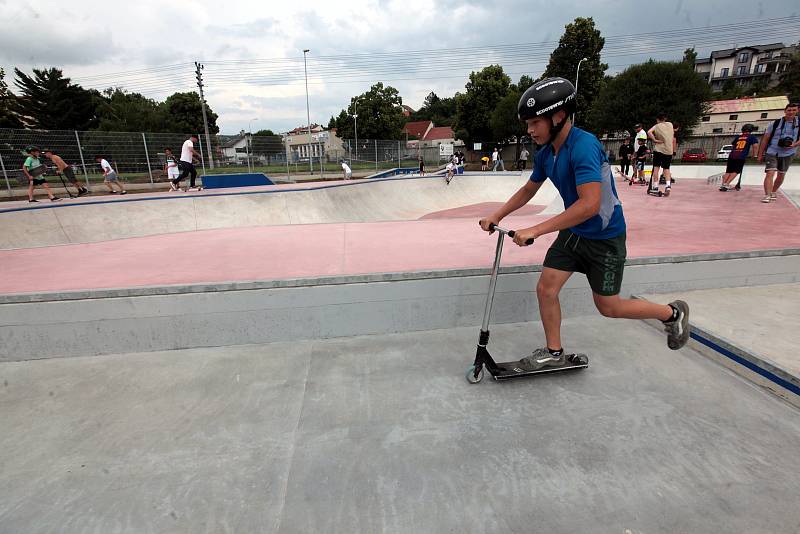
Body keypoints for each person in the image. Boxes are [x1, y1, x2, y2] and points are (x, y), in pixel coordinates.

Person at [479, 77, 690, 370]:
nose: (529, 130)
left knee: (609, 307)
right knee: (546, 288)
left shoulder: (584, 146)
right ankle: (554, 353)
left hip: (605, 237)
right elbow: (529, 189)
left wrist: (537, 230)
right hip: (574, 233)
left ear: (558, 116)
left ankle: (671, 314)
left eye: (534, 123)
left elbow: (590, 205)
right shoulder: (546, 153)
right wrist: (497, 215)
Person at [757, 102, 799, 203]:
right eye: (789, 110)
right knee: (770, 172)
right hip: (773, 151)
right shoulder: (775, 123)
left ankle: (773, 191)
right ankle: (767, 195)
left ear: (797, 111)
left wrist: (795, 144)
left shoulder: (799, 123)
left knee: (781, 174)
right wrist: (759, 154)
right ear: (785, 111)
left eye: (793, 110)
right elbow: (765, 139)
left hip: (788, 153)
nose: (791, 112)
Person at [719, 125, 759, 192]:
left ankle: (723, 185)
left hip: (732, 155)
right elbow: (755, 145)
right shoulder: (752, 137)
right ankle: (726, 184)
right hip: (741, 156)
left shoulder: (738, 137)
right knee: (736, 170)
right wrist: (755, 155)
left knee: (729, 171)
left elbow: (734, 145)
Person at [647, 113, 676, 196]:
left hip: (659, 149)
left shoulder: (656, 126)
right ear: (665, 119)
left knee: (656, 168)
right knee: (666, 168)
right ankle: (668, 186)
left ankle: (655, 186)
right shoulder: (670, 124)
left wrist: (655, 140)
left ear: (657, 119)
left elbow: (649, 132)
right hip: (668, 150)